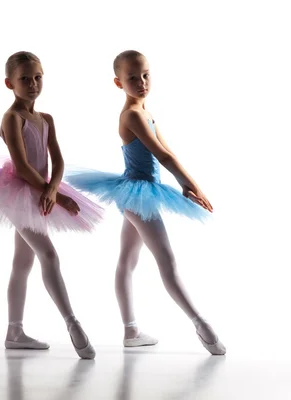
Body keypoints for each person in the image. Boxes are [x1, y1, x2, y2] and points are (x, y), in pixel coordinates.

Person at [66, 50, 226, 355]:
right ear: (118, 83)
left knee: (128, 259)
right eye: (132, 78)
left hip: (139, 192)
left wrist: (187, 184)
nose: (141, 82)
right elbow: (164, 156)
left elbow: (167, 149)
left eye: (145, 75)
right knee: (166, 261)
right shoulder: (133, 115)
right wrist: (191, 186)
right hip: (138, 195)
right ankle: (201, 325)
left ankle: (131, 332)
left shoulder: (145, 111)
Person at [0, 51, 103, 359]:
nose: (33, 84)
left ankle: (14, 332)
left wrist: (54, 188)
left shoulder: (46, 119)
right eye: (25, 79)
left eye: (38, 77)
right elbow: (22, 165)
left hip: (42, 190)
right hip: (18, 192)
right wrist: (52, 192)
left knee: (22, 262)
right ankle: (72, 323)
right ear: (9, 83)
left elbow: (57, 158)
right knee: (48, 254)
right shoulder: (11, 118)